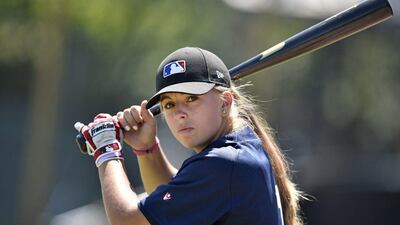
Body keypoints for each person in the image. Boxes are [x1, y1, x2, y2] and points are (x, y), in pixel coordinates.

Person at [78, 47, 304, 225]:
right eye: (169, 104)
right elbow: (178, 203)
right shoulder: (243, 147)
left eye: (191, 99)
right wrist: (147, 150)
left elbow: (128, 221)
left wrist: (106, 149)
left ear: (225, 102)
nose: (179, 114)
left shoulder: (224, 163)